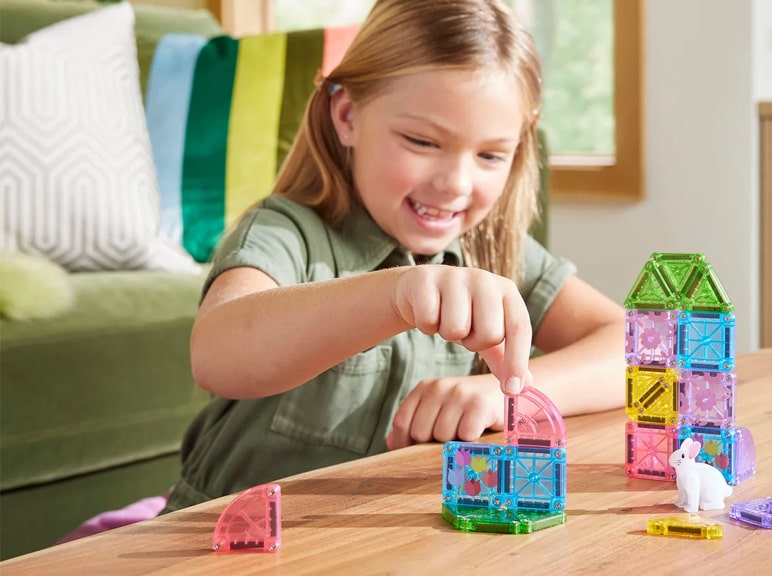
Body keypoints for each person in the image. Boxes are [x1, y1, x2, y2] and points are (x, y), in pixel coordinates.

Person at [160, 0, 624, 514]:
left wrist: (503, 395)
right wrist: (398, 294)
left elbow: (636, 350)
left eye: (491, 154)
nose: (456, 184)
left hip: (381, 540)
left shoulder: (493, 250)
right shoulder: (286, 230)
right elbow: (217, 354)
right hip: (226, 538)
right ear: (347, 116)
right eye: (422, 141)